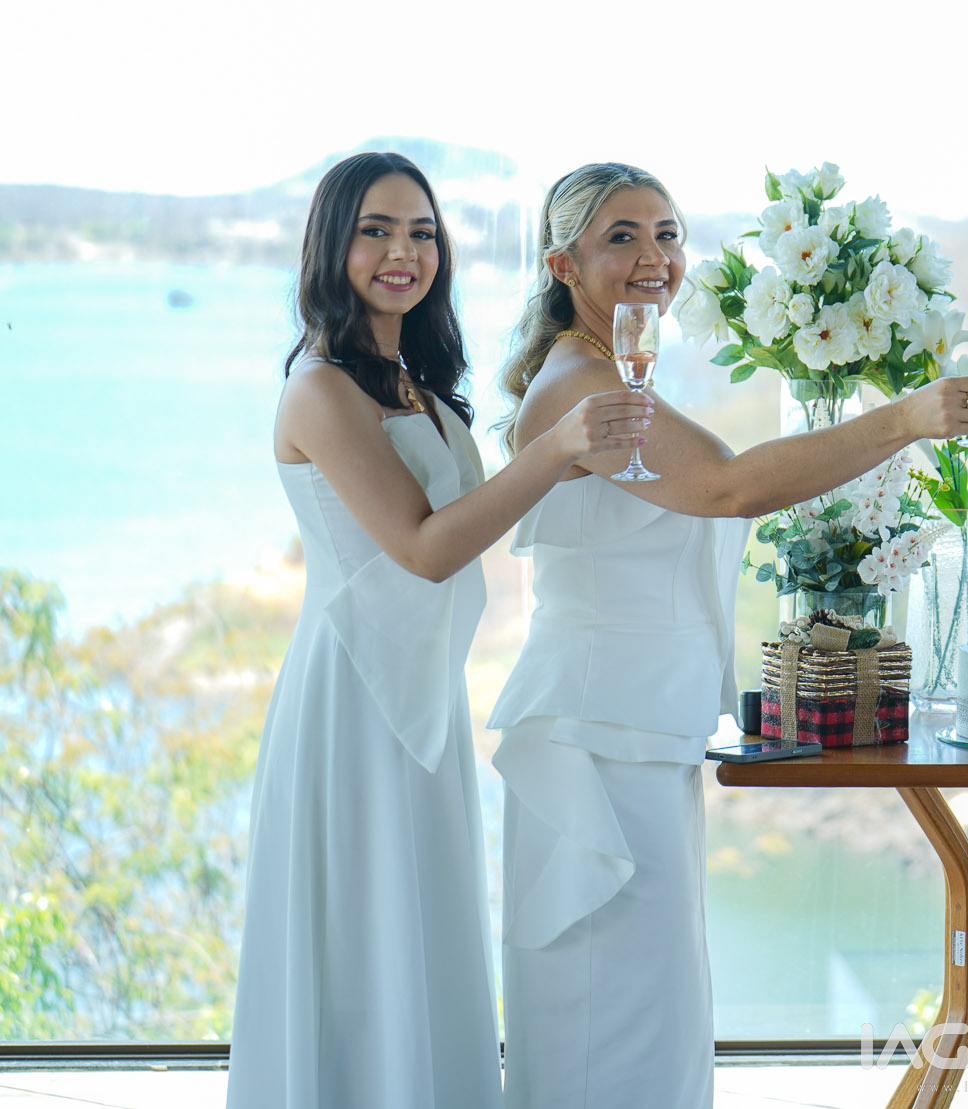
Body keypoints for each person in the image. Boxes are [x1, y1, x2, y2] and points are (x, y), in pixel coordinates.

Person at [490, 162, 968, 1109]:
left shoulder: (603, 371)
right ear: (562, 264)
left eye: (668, 233)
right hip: (601, 735)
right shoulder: (580, 384)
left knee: (646, 1016)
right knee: (616, 1020)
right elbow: (731, 486)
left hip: (636, 728)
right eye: (622, 236)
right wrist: (906, 418)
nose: (655, 256)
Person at [227, 153, 651, 1107]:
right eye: (376, 230)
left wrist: (584, 460)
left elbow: (481, 515)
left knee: (418, 923)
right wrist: (556, 445)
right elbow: (423, 548)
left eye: (421, 232)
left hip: (423, 690)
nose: (403, 252)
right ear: (330, 245)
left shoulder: (414, 381)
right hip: (352, 693)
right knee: (360, 931)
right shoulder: (319, 389)